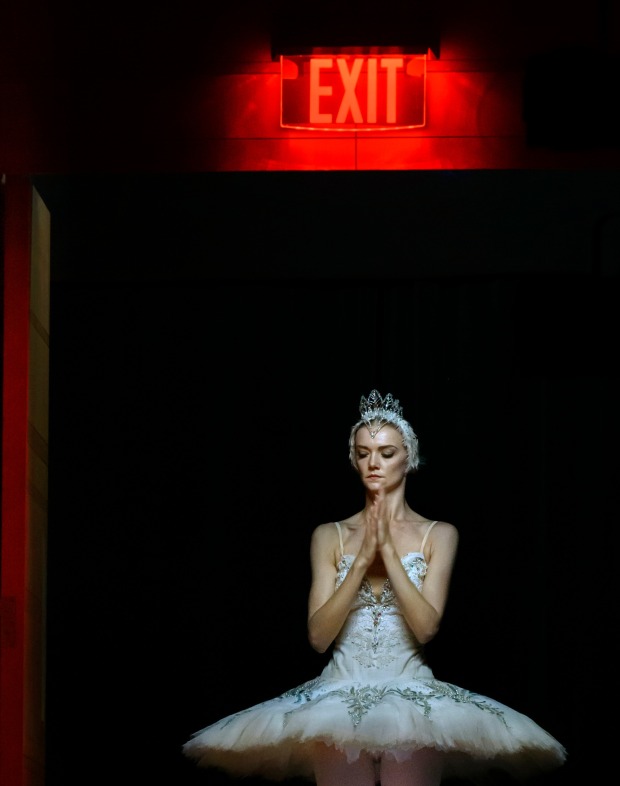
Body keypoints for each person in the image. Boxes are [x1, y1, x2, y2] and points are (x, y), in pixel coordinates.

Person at [183, 389, 567, 785]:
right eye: (363, 452)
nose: (374, 463)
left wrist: (386, 547)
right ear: (353, 458)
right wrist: (363, 560)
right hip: (337, 698)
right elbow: (318, 637)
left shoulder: (439, 534)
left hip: (412, 698)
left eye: (386, 453)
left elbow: (425, 628)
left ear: (409, 457)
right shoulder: (329, 535)